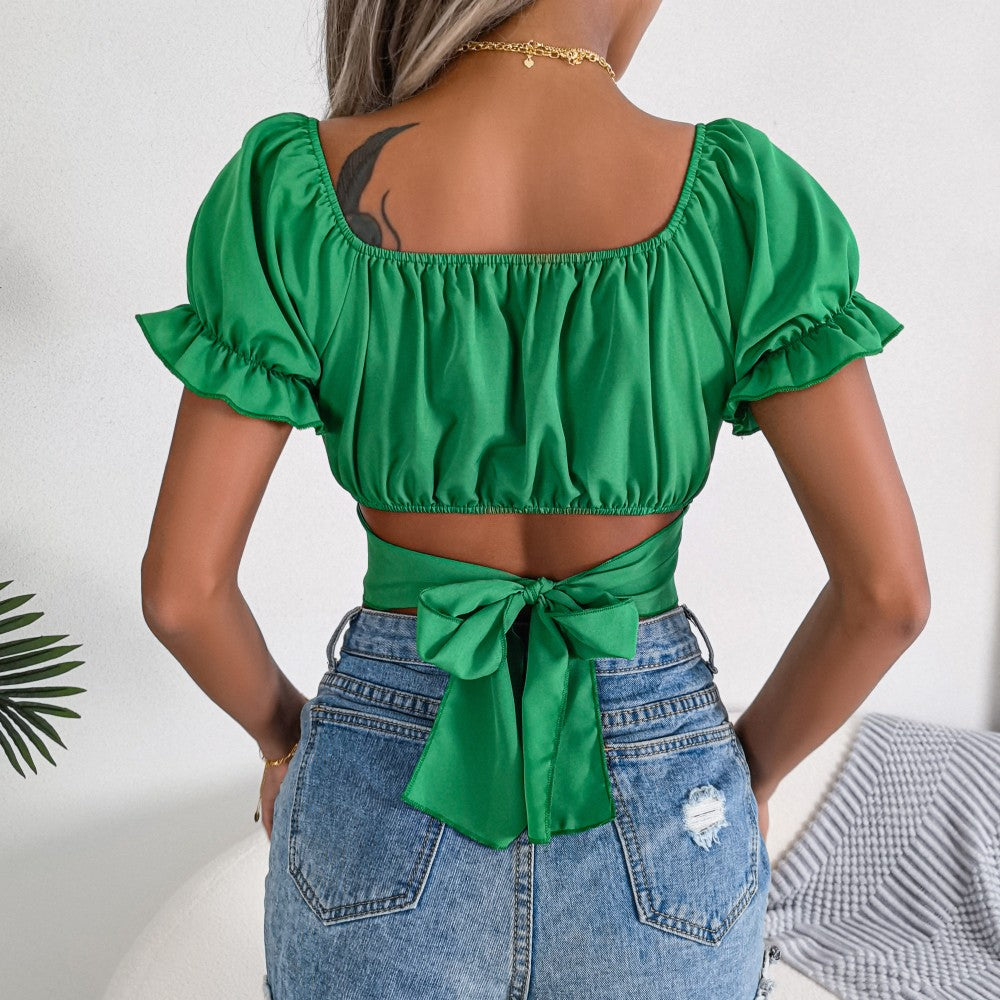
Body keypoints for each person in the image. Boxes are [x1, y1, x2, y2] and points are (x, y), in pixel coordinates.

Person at [137, 1, 930, 997]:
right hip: (660, 780)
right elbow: (887, 595)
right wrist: (749, 771)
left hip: (383, 761)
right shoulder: (742, 202)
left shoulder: (296, 190)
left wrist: (290, 740)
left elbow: (183, 593)